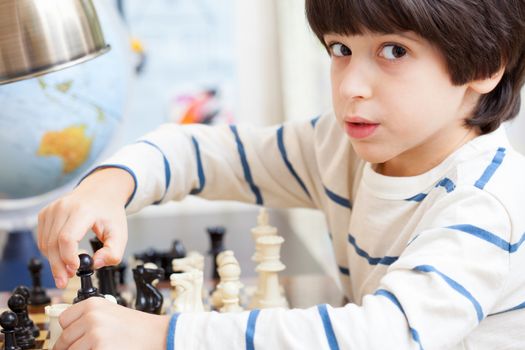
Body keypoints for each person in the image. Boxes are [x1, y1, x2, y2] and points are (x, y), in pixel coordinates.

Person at [37, 1, 525, 349]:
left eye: (393, 51)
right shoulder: (339, 148)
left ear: (485, 63)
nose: (350, 86)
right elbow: (206, 153)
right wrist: (111, 182)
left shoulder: (486, 203)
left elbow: (385, 335)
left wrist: (164, 335)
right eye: (340, 48)